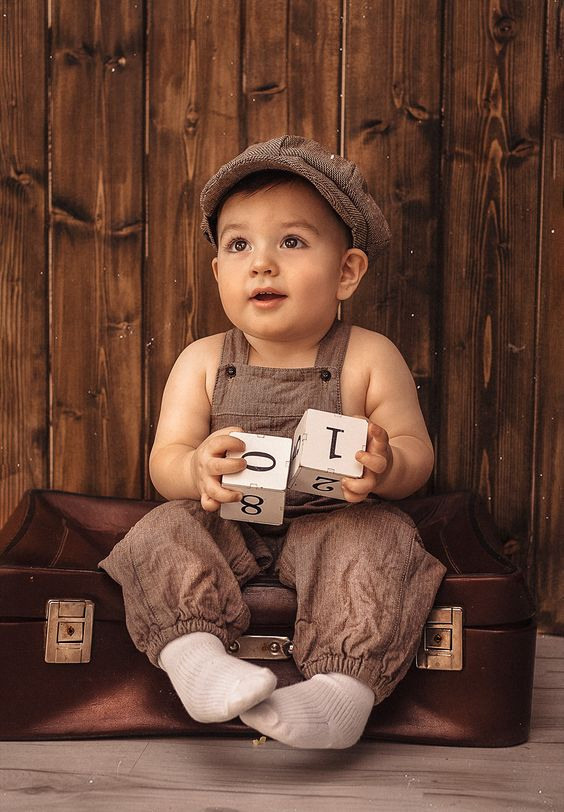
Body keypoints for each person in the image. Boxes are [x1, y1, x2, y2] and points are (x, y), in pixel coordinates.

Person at [99, 135, 446, 749]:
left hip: (335, 522)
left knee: (382, 539)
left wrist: (386, 464)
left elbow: (417, 454)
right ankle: (196, 657)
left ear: (347, 272)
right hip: (229, 525)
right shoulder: (204, 361)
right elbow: (167, 460)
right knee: (162, 530)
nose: (262, 263)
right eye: (239, 245)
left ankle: (341, 693)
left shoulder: (367, 358)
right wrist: (197, 471)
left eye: (292, 241)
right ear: (217, 273)